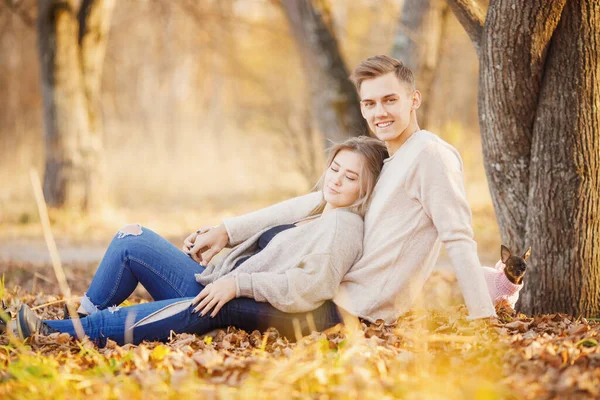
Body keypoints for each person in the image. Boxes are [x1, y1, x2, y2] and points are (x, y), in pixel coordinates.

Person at [11, 137, 388, 345]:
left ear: (367, 187)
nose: (336, 180)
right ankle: (83, 320)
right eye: (335, 169)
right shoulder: (320, 210)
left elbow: (309, 287)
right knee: (132, 239)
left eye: (350, 177)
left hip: (243, 301)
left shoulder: (343, 227)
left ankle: (52, 333)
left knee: (162, 299)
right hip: (219, 284)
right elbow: (265, 250)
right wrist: (221, 253)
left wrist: (238, 282)